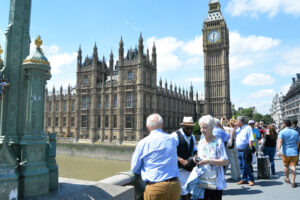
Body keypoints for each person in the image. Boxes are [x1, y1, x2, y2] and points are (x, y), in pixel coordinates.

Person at [131, 113, 181, 200]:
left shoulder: (143, 142)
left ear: (147, 127)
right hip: (175, 186)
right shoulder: (172, 139)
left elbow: (135, 168)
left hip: (156, 188)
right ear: (162, 125)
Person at [187, 115, 228, 200]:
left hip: (215, 182)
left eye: (204, 128)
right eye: (201, 128)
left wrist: (209, 161)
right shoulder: (201, 142)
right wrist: (196, 159)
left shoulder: (218, 142)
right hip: (202, 180)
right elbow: (200, 156)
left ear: (212, 127)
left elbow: (225, 161)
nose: (202, 130)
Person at [171, 116, 198, 200]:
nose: (189, 130)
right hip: (179, 170)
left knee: (190, 192)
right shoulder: (175, 136)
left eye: (191, 128)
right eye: (187, 128)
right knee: (185, 193)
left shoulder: (192, 137)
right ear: (183, 126)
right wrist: (181, 160)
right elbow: (170, 152)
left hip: (190, 168)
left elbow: (194, 149)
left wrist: (195, 156)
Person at [277, 119, 300, 188]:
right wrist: (295, 148)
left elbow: (280, 142)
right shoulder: (295, 132)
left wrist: (278, 151)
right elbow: (298, 143)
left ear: (284, 124)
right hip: (294, 152)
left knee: (286, 166)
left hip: (285, 152)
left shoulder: (282, 132)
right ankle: (293, 182)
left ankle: (287, 178)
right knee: (293, 167)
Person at [235, 116, 255, 186]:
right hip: (239, 150)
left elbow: (250, 139)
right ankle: (244, 179)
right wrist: (234, 128)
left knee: (246, 165)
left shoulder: (248, 128)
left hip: (245, 150)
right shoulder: (238, 129)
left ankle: (251, 179)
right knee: (241, 166)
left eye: (237, 121)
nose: (236, 123)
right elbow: (232, 135)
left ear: (241, 122)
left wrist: (250, 150)